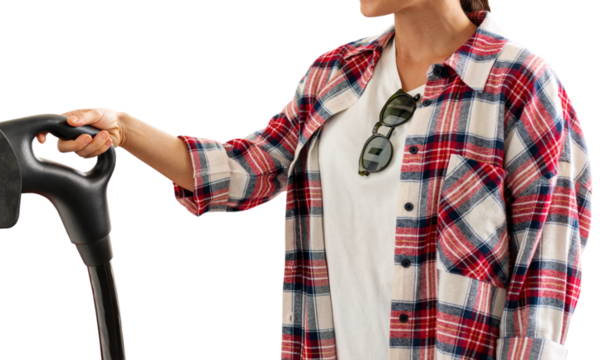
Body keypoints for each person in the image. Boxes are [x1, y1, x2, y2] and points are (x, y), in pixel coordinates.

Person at [38, 1, 592, 359]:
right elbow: (247, 170)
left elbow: (543, 282)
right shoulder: (335, 72)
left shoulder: (520, 85)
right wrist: (125, 130)